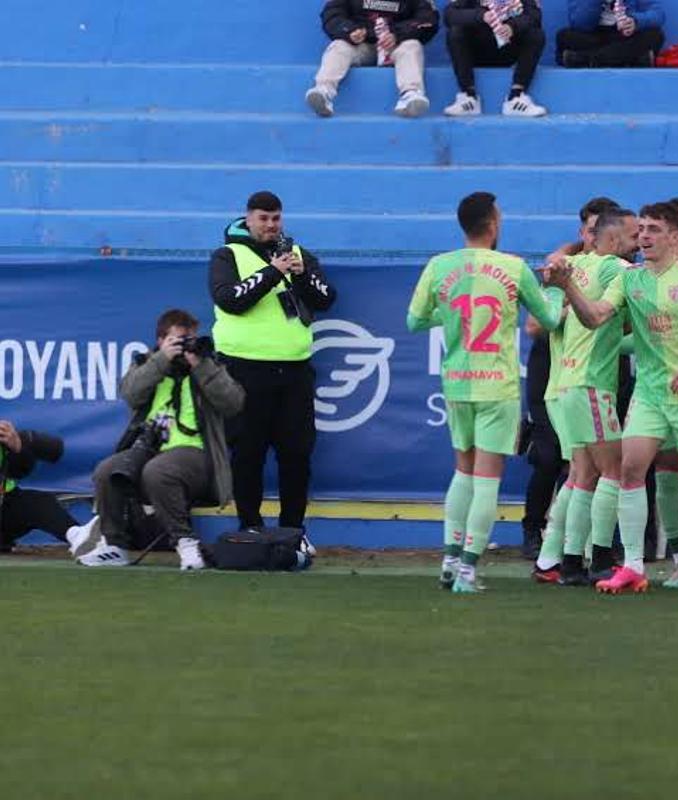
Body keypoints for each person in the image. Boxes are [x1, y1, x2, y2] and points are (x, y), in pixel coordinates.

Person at [546, 202, 678, 596]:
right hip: (650, 395)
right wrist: (568, 288)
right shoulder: (630, 278)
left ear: (673, 235)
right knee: (630, 471)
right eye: (642, 230)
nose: (644, 237)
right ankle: (633, 565)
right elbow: (597, 316)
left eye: (653, 230)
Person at [406, 191, 564, 593]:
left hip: (457, 382)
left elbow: (414, 321)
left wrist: (452, 312)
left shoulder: (440, 266)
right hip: (497, 385)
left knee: (462, 470)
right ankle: (468, 570)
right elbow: (546, 319)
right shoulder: (513, 267)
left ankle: (448, 561)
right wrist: (557, 291)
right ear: (493, 224)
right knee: (487, 477)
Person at [209, 191, 337, 537]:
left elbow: (326, 299)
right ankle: (249, 528)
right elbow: (229, 299)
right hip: (243, 372)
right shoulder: (227, 255)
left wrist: (299, 275)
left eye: (276, 218)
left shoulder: (298, 254)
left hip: (294, 372)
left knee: (296, 455)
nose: (270, 225)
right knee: (247, 454)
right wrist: (271, 272)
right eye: (263, 219)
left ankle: (293, 532)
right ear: (248, 219)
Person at [89, 310, 245, 570]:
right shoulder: (147, 364)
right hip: (149, 449)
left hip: (196, 455)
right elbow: (130, 394)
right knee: (106, 471)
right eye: (178, 340)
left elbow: (234, 403)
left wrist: (201, 365)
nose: (185, 346)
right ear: (161, 340)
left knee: (158, 470)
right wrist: (161, 360)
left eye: (189, 339)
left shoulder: (207, 365)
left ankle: (186, 542)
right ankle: (114, 545)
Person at [541, 208, 638, 586]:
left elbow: (546, 321)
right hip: (592, 384)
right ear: (613, 241)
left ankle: (568, 562)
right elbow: (601, 315)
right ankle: (600, 558)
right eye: (633, 237)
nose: (639, 244)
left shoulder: (572, 266)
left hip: (566, 382)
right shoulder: (617, 269)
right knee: (612, 471)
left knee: (583, 474)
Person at [306, 0, 440, 117]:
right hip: (362, 44)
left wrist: (396, 34)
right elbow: (332, 14)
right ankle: (324, 91)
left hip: (397, 44)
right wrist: (350, 31)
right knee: (339, 46)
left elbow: (428, 19)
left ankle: (411, 94)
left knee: (412, 46)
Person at [0, 422, 97, 556]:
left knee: (37, 502)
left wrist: (17, 448)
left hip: (5, 508)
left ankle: (78, 536)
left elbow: (19, 472)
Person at [443, 0, 548, 117]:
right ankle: (468, 96)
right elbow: (450, 15)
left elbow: (535, 16)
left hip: (509, 50)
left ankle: (516, 96)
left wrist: (512, 26)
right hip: (477, 52)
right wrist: (480, 16)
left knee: (536, 34)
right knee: (456, 32)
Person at [519, 326, 565, 561]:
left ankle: (570, 537)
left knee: (578, 461)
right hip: (546, 369)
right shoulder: (552, 288)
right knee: (548, 458)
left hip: (589, 365)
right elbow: (533, 326)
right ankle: (532, 529)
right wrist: (575, 310)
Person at [556, 0, 665, 68]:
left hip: (625, 35)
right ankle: (632, 60)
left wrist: (636, 21)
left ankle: (586, 59)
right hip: (594, 36)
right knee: (564, 36)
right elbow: (579, 24)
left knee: (655, 35)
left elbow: (658, 14)